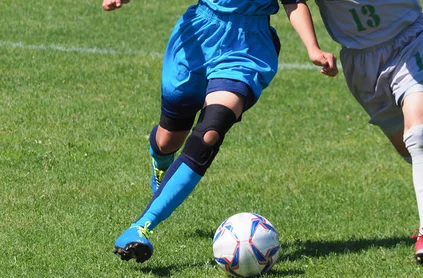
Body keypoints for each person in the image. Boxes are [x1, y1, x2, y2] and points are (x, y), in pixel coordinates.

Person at [102, 0, 338, 263]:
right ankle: (161, 160)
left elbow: (293, 1)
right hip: (199, 37)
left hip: (248, 46)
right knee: (168, 139)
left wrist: (312, 47)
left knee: (209, 133)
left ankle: (141, 227)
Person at [283, 0, 423, 263]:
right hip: (362, 62)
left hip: (410, 40)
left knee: (419, 136)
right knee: (407, 149)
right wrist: (312, 47)